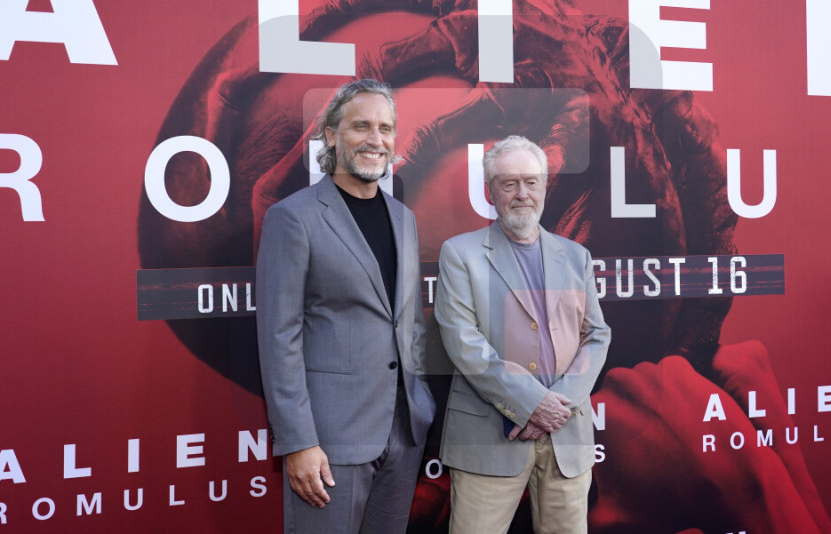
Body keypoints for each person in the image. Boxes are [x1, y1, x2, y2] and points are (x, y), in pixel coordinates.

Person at [256, 78, 436, 534]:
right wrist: (298, 441)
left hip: (403, 432)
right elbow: (279, 337)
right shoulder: (293, 217)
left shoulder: (403, 218)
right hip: (329, 439)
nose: (376, 139)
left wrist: (419, 404)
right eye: (361, 126)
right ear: (332, 135)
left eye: (385, 128)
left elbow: (406, 321)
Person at [434, 135, 612, 534]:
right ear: (490, 191)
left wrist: (558, 406)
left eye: (531, 182)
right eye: (509, 183)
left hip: (566, 438)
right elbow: (463, 342)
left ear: (545, 187)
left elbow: (596, 336)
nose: (522, 194)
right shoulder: (460, 254)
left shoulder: (576, 256)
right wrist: (533, 404)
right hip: (489, 439)